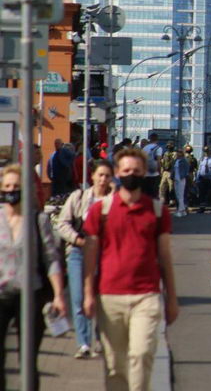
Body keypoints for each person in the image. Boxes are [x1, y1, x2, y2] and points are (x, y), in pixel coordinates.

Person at [83, 148, 179, 391]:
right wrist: (87, 294)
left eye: (136, 171)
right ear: (117, 172)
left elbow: (165, 257)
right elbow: (90, 255)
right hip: (109, 297)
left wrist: (172, 299)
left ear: (145, 172)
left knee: (141, 354)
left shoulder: (157, 211)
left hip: (146, 296)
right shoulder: (100, 210)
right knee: (115, 365)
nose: (131, 175)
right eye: (126, 170)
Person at [0, 164, 67, 390]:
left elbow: (51, 259)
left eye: (16, 186)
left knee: (27, 361)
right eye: (7, 186)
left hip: (30, 296)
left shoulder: (38, 221)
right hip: (1, 295)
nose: (11, 190)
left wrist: (58, 295)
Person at [56, 159, 114, 358]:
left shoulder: (114, 201)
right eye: (100, 175)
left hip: (105, 254)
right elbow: (61, 224)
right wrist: (77, 240)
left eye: (107, 176)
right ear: (92, 176)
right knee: (79, 298)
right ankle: (83, 343)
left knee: (101, 299)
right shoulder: (79, 197)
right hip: (78, 253)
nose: (103, 179)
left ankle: (100, 339)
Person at [196, 146, 211, 214]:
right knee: (202, 193)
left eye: (207, 151)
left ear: (210, 152)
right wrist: (197, 178)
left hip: (210, 179)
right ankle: (202, 208)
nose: (206, 153)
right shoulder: (202, 159)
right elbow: (199, 169)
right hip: (202, 179)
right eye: (205, 151)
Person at [142, 134, 164, 199]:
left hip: (145, 174)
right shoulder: (158, 148)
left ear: (150, 139)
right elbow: (158, 161)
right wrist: (160, 172)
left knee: (146, 194)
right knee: (154, 194)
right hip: (155, 174)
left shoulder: (144, 148)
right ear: (157, 139)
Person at [173, 150, 189, 217]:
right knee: (177, 195)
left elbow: (187, 169)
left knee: (181, 195)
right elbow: (173, 170)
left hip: (181, 179)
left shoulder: (184, 161)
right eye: (177, 153)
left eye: (179, 153)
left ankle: (180, 210)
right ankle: (183, 211)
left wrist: (183, 176)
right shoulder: (176, 161)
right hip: (176, 179)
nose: (178, 154)